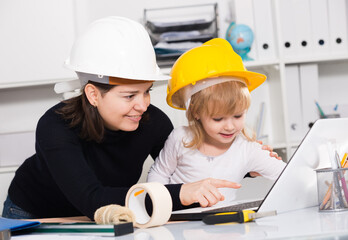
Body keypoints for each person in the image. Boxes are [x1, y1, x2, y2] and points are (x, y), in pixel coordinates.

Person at [2, 17, 244, 220]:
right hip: (35, 214)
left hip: (108, 215)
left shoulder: (154, 122)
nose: (142, 105)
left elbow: (188, 175)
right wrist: (181, 194)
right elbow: (92, 200)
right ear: (93, 94)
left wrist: (243, 162)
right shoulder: (55, 126)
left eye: (147, 91)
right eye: (129, 95)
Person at [147, 38, 286, 203]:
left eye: (238, 116)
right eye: (218, 118)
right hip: (178, 221)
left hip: (223, 224)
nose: (229, 126)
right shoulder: (180, 138)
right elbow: (159, 173)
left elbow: (290, 176)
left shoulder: (247, 149)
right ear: (196, 112)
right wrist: (160, 208)